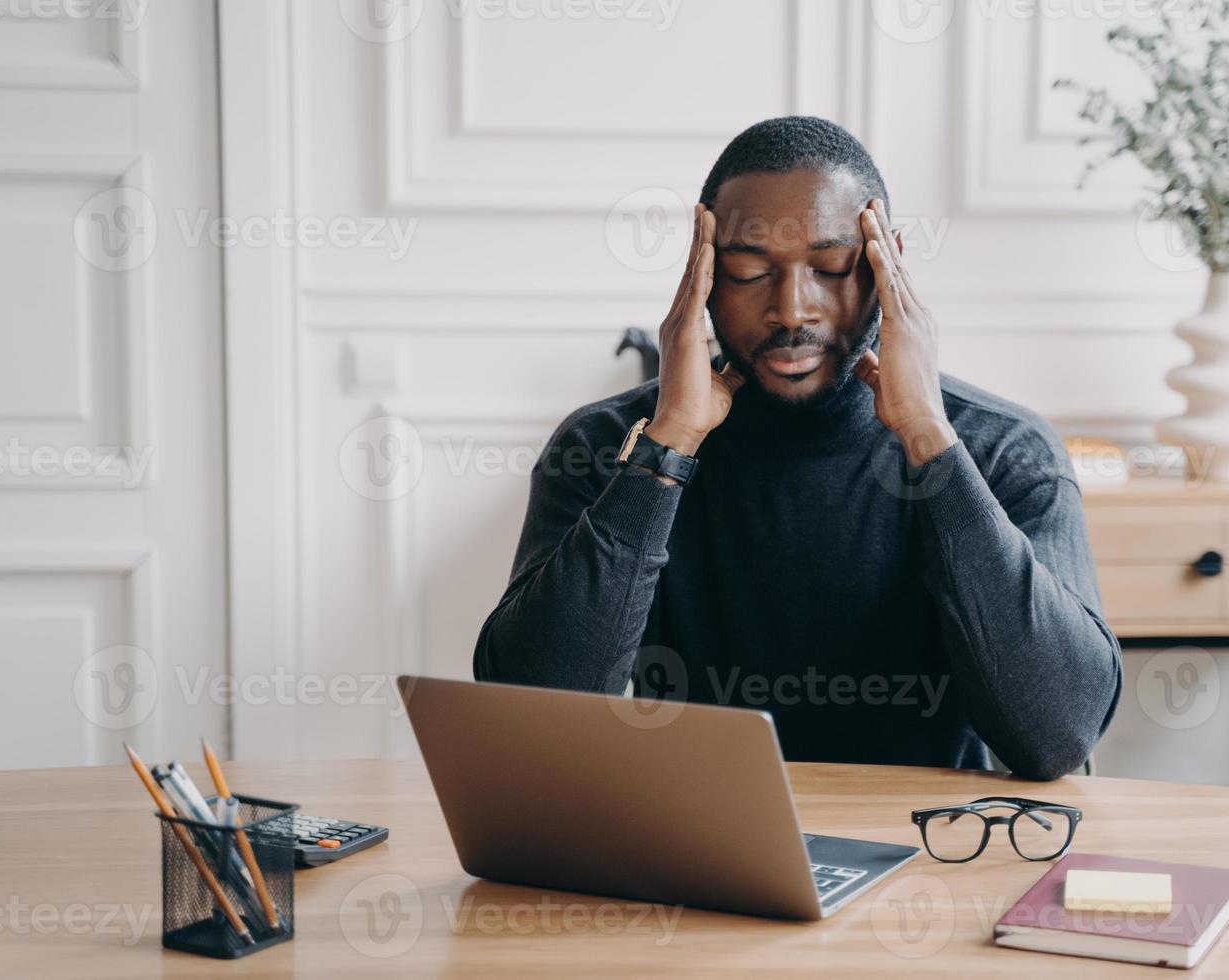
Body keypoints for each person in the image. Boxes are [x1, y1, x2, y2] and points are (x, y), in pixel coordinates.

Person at [473, 116, 1121, 779]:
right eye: (750, 270)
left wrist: (929, 437)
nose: (792, 309)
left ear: (885, 265)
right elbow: (536, 727)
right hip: (700, 852)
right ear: (702, 275)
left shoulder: (1004, 449)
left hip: (936, 854)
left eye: (832, 266)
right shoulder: (605, 446)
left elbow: (1058, 734)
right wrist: (666, 450)